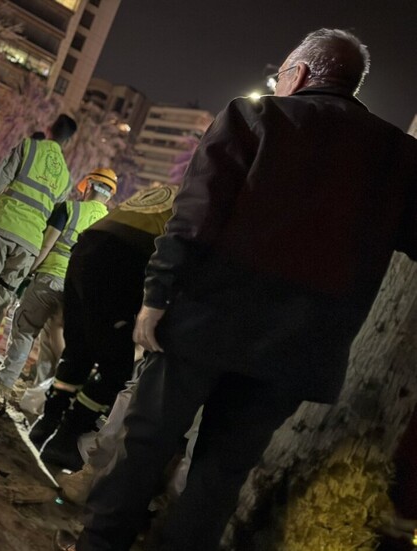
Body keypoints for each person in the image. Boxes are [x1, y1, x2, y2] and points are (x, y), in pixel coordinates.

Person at [76, 29, 417, 551]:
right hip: (302, 349)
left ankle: (101, 544)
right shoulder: (400, 157)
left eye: (281, 74)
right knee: (222, 473)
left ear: (300, 73)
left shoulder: (256, 117)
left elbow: (195, 217)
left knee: (145, 443)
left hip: (207, 320)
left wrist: (156, 296)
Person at [30, 185, 177, 472]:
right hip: (124, 258)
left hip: (87, 248)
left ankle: (46, 424)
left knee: (79, 351)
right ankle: (66, 439)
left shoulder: (176, 193)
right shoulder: (207, 211)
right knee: (116, 368)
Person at [0, 114, 77, 381]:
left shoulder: (29, 147)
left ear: (48, 128)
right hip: (29, 243)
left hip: (2, 226)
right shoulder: (66, 178)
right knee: (0, 303)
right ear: (69, 142)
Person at [0, 168, 117, 394]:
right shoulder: (111, 223)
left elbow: (47, 244)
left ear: (88, 186)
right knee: (52, 342)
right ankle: (41, 395)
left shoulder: (69, 209)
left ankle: (3, 383)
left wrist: (28, 271)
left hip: (49, 279)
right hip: (76, 290)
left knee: (25, 329)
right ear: (109, 196)